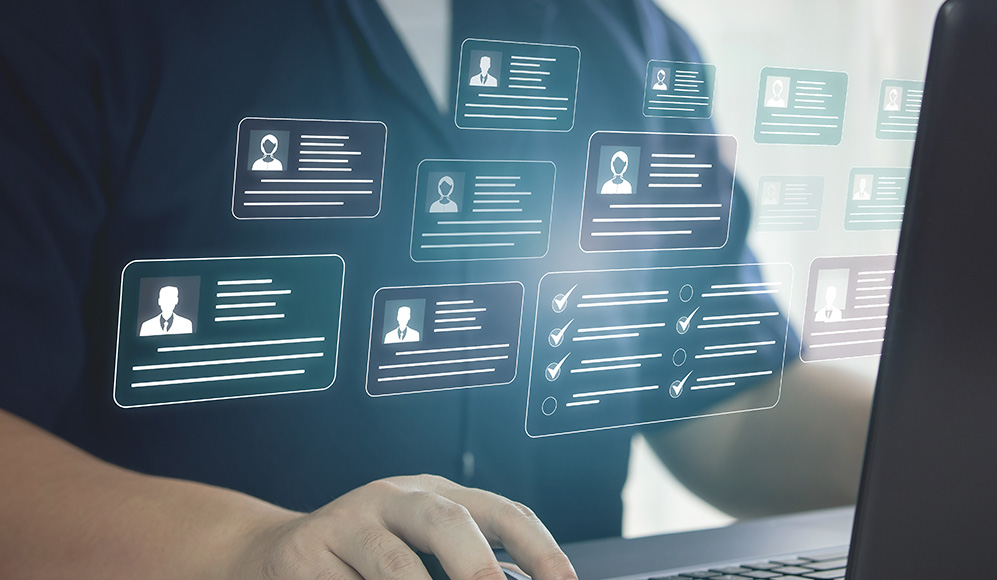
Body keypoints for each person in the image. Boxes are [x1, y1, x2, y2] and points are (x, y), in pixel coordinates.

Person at [0, 1, 871, 577]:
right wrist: (252, 551)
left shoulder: (632, 38)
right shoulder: (72, 25)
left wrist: (962, 437)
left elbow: (722, 404)